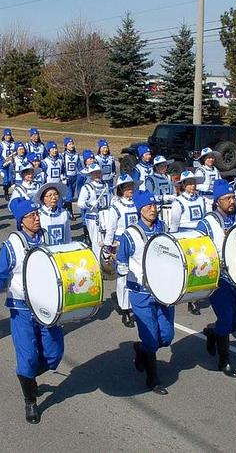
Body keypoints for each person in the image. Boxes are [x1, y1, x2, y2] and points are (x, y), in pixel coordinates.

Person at [0, 197, 63, 424]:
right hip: (21, 306)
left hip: (47, 304)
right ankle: (30, 400)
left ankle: (29, 376)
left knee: (55, 353)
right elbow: (0, 274)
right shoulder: (12, 244)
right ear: (20, 221)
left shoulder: (45, 237)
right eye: (31, 216)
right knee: (26, 356)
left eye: (37, 214)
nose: (36, 218)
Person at [116, 190, 174, 395]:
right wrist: (121, 267)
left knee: (166, 337)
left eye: (154, 205)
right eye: (148, 206)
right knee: (151, 338)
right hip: (141, 292)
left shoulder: (163, 228)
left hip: (163, 289)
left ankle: (141, 350)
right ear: (140, 210)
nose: (153, 209)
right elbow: (120, 260)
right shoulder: (130, 234)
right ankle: (153, 378)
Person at [199, 180, 236, 377]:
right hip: (220, 277)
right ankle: (224, 360)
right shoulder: (207, 222)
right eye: (227, 198)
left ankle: (214, 332)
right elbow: (201, 251)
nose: (232, 201)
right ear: (217, 201)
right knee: (227, 316)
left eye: (233, 197)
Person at [103, 174, 138, 328]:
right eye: (127, 187)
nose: (130, 189)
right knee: (122, 275)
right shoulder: (116, 207)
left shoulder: (137, 203)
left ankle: (135, 302)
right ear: (121, 189)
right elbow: (110, 229)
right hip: (120, 243)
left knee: (136, 272)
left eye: (131, 186)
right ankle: (125, 309)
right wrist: (107, 248)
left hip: (136, 241)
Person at [77, 163, 110, 252]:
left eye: (98, 172)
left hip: (106, 217)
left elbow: (111, 198)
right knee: (97, 243)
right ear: (90, 175)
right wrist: (90, 204)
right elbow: (80, 203)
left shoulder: (106, 185)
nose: (97, 175)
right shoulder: (86, 187)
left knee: (108, 241)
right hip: (93, 218)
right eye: (94, 173)